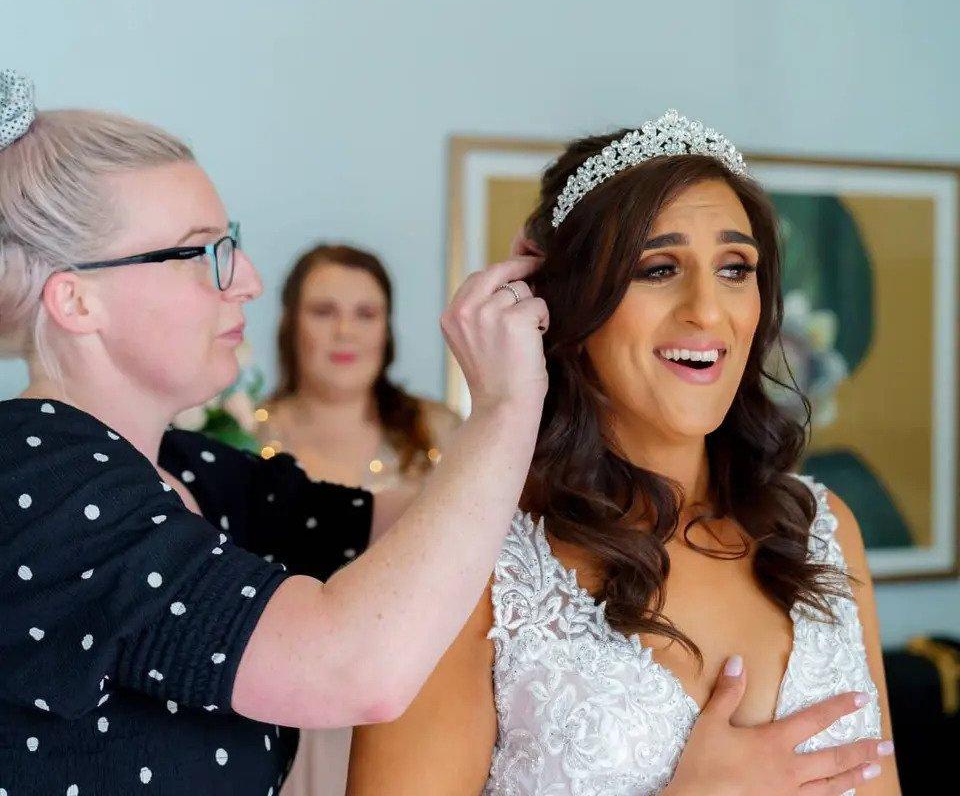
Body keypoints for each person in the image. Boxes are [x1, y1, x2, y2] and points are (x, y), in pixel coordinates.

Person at [0, 70, 548, 794]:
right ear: (76, 299)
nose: (248, 280)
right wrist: (505, 406)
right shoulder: (35, 482)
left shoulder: (186, 468)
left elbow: (408, 529)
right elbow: (353, 668)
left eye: (232, 243)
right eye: (202, 253)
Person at [346, 111, 901, 795]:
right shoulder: (473, 566)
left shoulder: (825, 530)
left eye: (735, 268)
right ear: (572, 309)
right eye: (659, 267)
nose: (707, 310)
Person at [259, 244, 461, 795]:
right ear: (289, 323)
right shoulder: (237, 439)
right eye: (324, 312)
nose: (345, 331)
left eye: (366, 314)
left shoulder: (440, 434)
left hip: (412, 704)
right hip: (275, 713)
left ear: (387, 329)